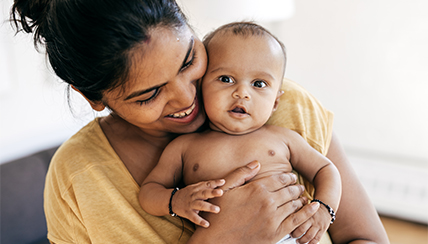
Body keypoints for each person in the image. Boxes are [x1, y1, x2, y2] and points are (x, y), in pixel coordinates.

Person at [10, 0, 389, 243]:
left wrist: (322, 210)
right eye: (149, 94)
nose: (188, 98)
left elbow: (366, 238)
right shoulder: (78, 178)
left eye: (189, 60)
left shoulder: (284, 106)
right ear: (92, 97)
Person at [139, 22, 342, 244]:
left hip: (292, 236)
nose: (242, 93)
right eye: (226, 79)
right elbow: (149, 192)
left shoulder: (282, 138)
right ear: (201, 86)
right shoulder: (184, 147)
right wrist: (175, 200)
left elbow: (326, 169)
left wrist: (325, 208)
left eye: (259, 83)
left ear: (275, 102)